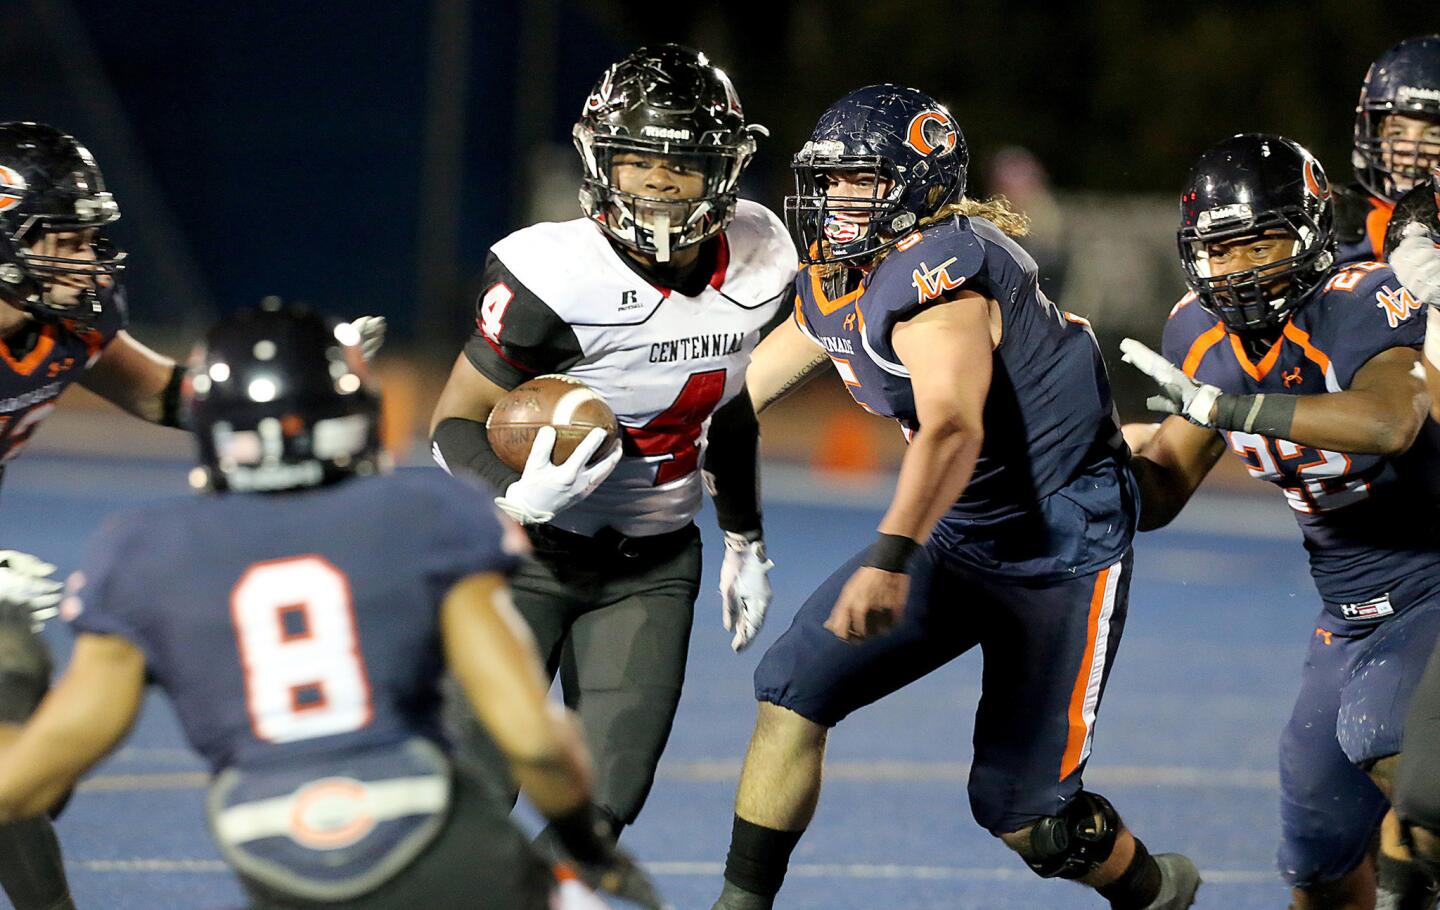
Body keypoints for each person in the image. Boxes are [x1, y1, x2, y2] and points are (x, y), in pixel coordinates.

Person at [709, 84, 1199, 910]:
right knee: (793, 687)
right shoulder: (839, 282)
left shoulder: (938, 280)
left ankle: (1151, 890)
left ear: (917, 185)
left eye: (859, 182)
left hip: (1059, 548)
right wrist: (730, 530)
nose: (835, 203)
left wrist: (891, 558)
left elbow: (952, 430)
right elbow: (730, 405)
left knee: (1024, 814)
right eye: (829, 183)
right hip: (959, 530)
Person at [0, 302, 661, 910]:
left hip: (271, 850)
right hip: (437, 833)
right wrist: (588, 847)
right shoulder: (431, 517)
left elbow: (35, 780)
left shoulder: (142, 551)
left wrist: (12, 678)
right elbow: (533, 739)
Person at [0, 121, 386, 910]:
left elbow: (160, 392)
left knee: (36, 752)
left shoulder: (65, 319)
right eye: (61, 240)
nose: (85, 259)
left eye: (87, 237)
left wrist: (298, 379)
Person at [429, 44, 794, 839]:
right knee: (471, 806)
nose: (660, 183)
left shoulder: (764, 258)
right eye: (638, 161)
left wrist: (743, 537)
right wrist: (511, 495)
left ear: (724, 170)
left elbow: (728, 407)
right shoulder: (552, 275)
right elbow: (451, 422)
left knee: (599, 813)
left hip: (652, 564)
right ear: (601, 162)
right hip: (521, 557)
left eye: (683, 163)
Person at [1120, 134, 1440, 909]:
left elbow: (1392, 420)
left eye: (1260, 241)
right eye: (1220, 250)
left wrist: (1231, 408)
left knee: (1394, 758)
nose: (1241, 268)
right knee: (1317, 860)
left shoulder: (1364, 300)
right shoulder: (1199, 333)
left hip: (1432, 584)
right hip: (1347, 612)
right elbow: (1162, 491)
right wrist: (1088, 453)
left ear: (1309, 230)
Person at [1337, 35, 1440, 265]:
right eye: (1397, 132)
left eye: (1433, 135)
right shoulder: (1336, 229)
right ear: (1375, 133)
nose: (1410, 150)